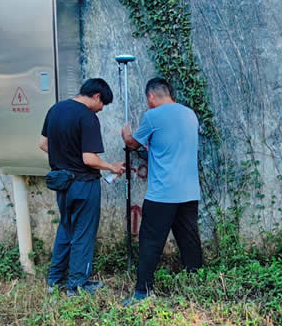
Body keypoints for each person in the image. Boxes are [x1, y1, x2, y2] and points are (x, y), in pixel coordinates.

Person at [121, 76, 203, 304]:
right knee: (189, 238)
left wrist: (125, 133)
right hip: (189, 192)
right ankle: (196, 280)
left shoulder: (153, 115)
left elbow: (132, 143)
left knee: (150, 241)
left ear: (151, 96)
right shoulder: (190, 114)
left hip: (163, 194)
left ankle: (142, 291)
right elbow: (170, 147)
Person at [39, 78, 124, 295]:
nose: (101, 109)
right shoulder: (88, 117)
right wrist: (111, 167)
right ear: (96, 96)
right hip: (83, 184)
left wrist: (66, 158)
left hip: (62, 183)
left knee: (66, 229)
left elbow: (43, 144)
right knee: (83, 234)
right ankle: (77, 285)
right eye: (102, 104)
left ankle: (55, 281)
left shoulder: (55, 109)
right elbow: (89, 159)